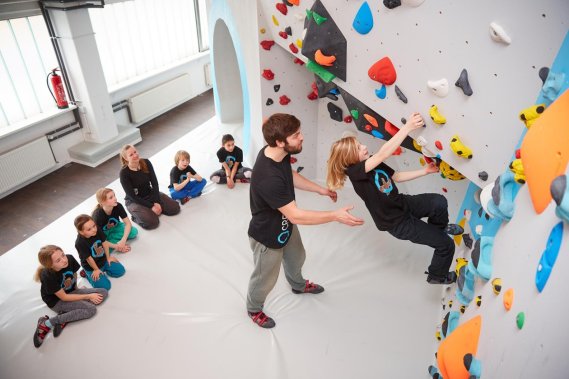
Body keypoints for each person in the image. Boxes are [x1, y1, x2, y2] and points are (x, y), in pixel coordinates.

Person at [246, 113, 364, 329]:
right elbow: (296, 215)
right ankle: (253, 308)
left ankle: (298, 285)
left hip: (285, 226)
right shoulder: (267, 177)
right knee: (265, 279)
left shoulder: (276, 154)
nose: (301, 138)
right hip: (267, 236)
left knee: (297, 256)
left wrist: (319, 189)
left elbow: (289, 175)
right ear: (280, 142)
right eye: (296, 135)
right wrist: (334, 215)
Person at [326, 112, 464, 286]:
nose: (364, 147)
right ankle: (437, 275)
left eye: (360, 144)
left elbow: (396, 176)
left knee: (439, 202)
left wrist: (424, 171)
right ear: (350, 158)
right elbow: (382, 154)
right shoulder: (355, 172)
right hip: (397, 223)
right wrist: (407, 127)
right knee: (446, 245)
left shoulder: (372, 162)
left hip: (402, 203)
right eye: (359, 148)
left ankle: (439, 228)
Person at [32, 244, 108, 348]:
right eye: (58, 260)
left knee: (103, 292)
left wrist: (76, 289)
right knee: (91, 309)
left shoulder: (69, 258)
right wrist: (88, 296)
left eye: (63, 255)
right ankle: (47, 323)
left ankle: (67, 314)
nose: (64, 260)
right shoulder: (47, 275)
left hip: (69, 292)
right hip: (57, 301)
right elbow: (64, 297)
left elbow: (73, 273)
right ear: (50, 265)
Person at [119, 144, 180, 229]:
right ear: (126, 158)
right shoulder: (124, 173)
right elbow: (132, 196)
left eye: (135, 152)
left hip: (149, 194)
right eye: (131, 155)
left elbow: (154, 183)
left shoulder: (146, 162)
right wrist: (151, 206)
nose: (135, 155)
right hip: (134, 201)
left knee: (175, 208)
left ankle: (152, 211)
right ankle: (135, 217)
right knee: (153, 222)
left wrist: (157, 202)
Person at [75, 214, 125, 290]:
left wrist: (108, 258)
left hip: (103, 260)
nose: (94, 229)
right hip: (91, 267)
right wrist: (96, 269)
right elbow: (89, 259)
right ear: (81, 232)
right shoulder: (79, 243)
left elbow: (105, 243)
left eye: (94, 226)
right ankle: (87, 274)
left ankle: (105, 269)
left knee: (120, 271)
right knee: (105, 287)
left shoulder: (96, 230)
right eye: (89, 229)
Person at [92, 187, 138, 253]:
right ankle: (113, 242)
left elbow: (128, 223)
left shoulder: (118, 206)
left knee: (134, 232)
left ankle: (113, 240)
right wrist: (117, 247)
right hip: (103, 234)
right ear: (103, 202)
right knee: (102, 250)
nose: (115, 198)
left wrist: (123, 240)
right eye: (111, 198)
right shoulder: (98, 215)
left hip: (116, 227)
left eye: (114, 195)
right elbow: (99, 238)